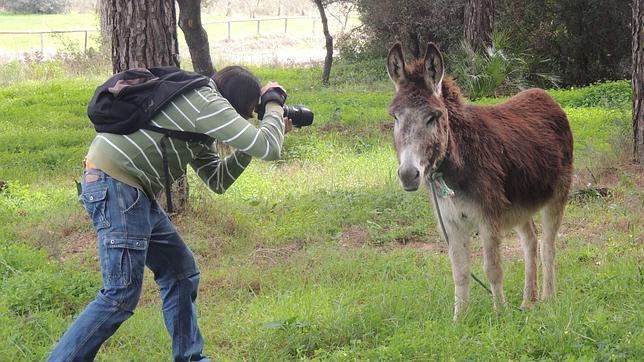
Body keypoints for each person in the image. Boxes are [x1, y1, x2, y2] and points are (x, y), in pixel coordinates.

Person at [48, 65, 291, 362]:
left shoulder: (201, 119)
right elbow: (268, 146)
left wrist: (247, 145)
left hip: (131, 190)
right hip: (117, 185)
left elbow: (218, 180)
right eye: (250, 110)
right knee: (120, 294)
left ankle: (190, 357)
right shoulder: (206, 102)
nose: (248, 118)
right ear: (238, 103)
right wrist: (274, 104)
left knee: (180, 273)